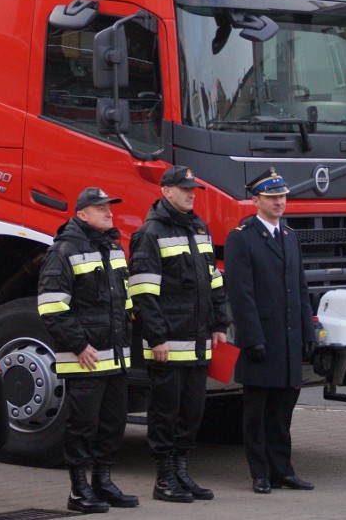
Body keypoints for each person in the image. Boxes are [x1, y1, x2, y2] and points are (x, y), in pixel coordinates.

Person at [128, 166, 230, 503]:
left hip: (198, 343)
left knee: (192, 412)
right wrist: (155, 338)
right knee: (165, 413)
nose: (190, 193)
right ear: (166, 191)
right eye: (184, 189)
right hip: (167, 345)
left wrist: (219, 324)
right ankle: (164, 478)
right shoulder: (150, 233)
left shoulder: (199, 228)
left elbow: (214, 280)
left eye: (193, 189)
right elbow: (143, 293)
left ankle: (182, 472)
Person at [37, 186, 139, 513]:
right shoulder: (63, 250)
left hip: (115, 356)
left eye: (110, 207)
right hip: (85, 358)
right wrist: (79, 345)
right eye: (101, 208)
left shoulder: (113, 246)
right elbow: (52, 306)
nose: (109, 212)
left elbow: (125, 300)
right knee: (83, 426)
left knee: (113, 425)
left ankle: (103, 483)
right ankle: (79, 490)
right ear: (82, 214)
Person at [224, 167, 316, 495]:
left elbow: (300, 289)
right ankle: (260, 473)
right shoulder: (242, 237)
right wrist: (252, 338)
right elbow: (241, 293)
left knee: (283, 413)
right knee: (257, 413)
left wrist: (308, 333)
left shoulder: (290, 237)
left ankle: (283, 470)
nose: (279, 202)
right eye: (272, 197)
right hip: (262, 340)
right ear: (256, 201)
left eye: (282, 197)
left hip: (289, 339)